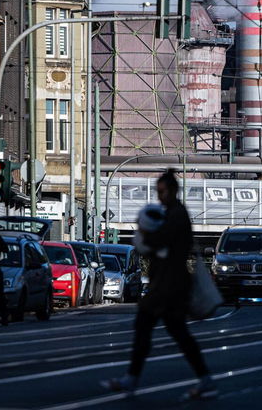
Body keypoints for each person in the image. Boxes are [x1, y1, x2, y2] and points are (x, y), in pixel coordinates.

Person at [102, 170, 216, 400]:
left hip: (169, 286)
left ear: (172, 191)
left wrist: (144, 231)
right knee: (174, 332)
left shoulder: (176, 215)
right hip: (168, 284)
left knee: (149, 327)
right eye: (158, 192)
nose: (159, 196)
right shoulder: (172, 213)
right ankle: (203, 378)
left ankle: (133, 379)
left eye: (161, 191)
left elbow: (161, 241)